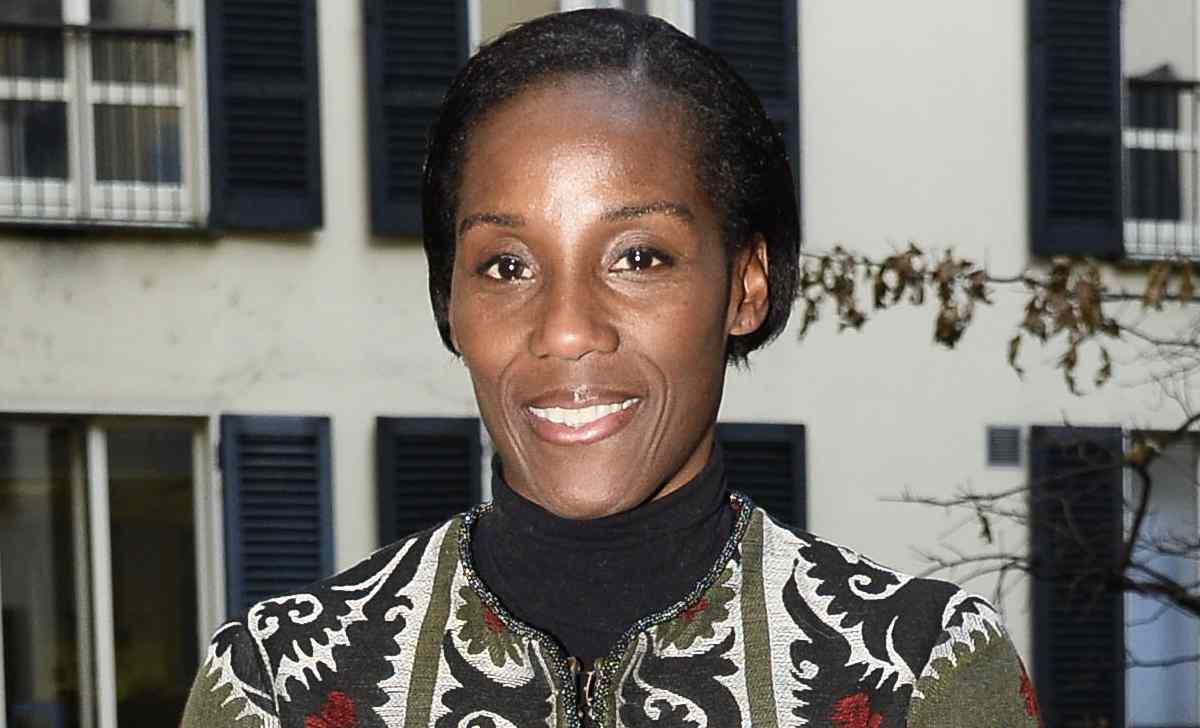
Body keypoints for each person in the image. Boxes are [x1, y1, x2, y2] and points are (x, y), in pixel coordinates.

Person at [180, 9, 1040, 727]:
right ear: (449, 302)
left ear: (745, 286)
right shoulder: (275, 682)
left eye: (639, 257)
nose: (566, 331)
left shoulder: (922, 672)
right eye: (506, 265)